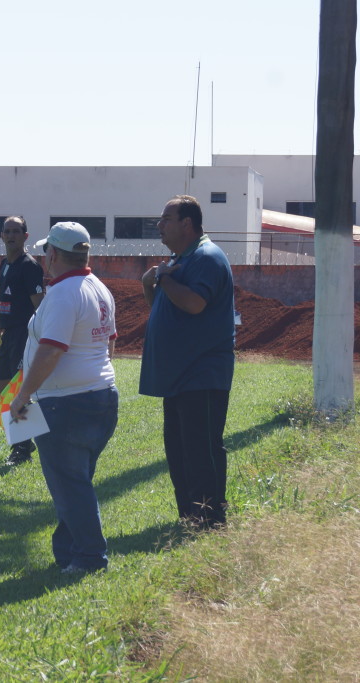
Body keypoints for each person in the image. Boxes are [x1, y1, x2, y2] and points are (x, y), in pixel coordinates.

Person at [10, 222, 118, 574]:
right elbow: (110, 343)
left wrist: (23, 395)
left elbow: (52, 349)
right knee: (75, 483)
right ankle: (69, 553)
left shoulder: (62, 293)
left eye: (46, 252)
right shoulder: (99, 288)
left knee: (71, 488)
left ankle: (89, 558)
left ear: (53, 254)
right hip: (100, 396)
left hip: (65, 403)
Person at [139, 195, 235, 529]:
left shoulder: (206, 257)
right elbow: (162, 306)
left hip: (201, 375)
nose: (159, 225)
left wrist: (164, 277)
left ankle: (211, 520)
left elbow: (194, 304)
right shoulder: (180, 258)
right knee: (180, 453)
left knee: (201, 450)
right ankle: (190, 516)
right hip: (178, 377)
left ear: (187, 224)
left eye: (166, 218)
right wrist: (150, 284)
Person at [0, 216, 44, 465]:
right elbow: (6, 306)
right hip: (9, 336)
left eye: (16, 231)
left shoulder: (30, 266)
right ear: (1, 236)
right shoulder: (4, 264)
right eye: (7, 231)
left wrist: (39, 340)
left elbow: (39, 307)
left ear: (25, 236)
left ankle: (22, 449)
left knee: (19, 393)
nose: (11, 235)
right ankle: (26, 441)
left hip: (24, 337)